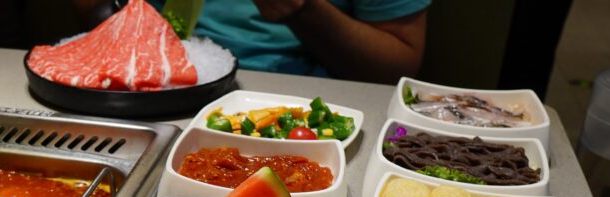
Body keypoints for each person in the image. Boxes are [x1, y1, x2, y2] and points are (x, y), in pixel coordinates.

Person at [72, 0, 429, 83]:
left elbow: (397, 63)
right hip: (146, 80)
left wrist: (304, 10)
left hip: (296, 92)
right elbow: (100, 9)